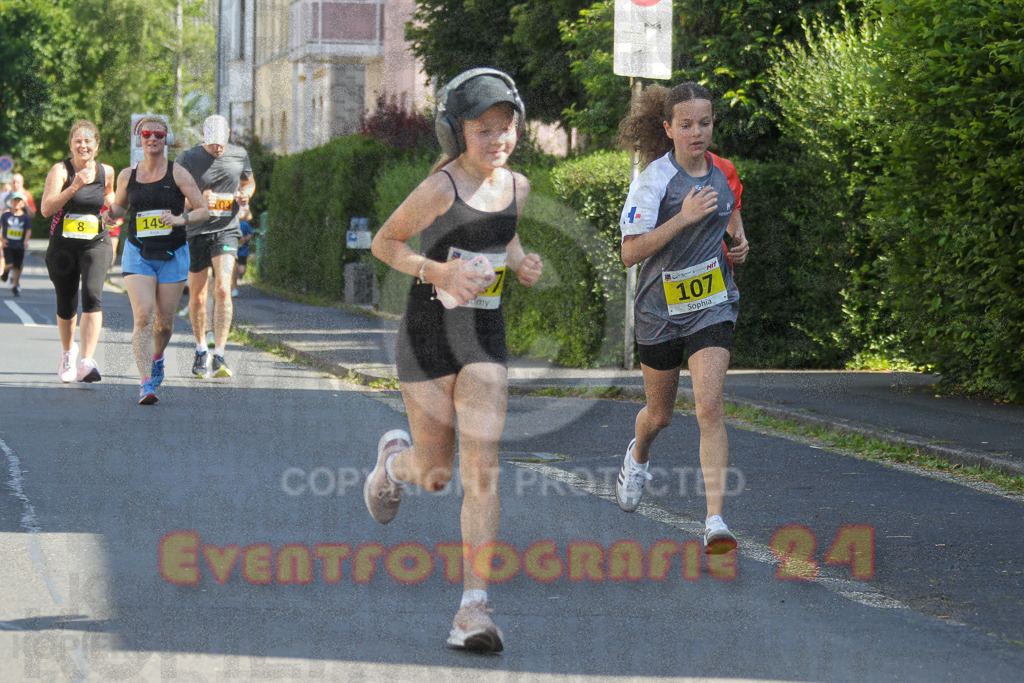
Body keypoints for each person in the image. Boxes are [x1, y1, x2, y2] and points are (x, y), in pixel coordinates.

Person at [367, 67, 543, 654]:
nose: (497, 139)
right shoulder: (440, 188)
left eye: (505, 127)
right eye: (482, 128)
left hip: (483, 339)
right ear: (456, 132)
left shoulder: (516, 187)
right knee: (437, 474)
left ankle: (473, 608)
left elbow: (506, 237)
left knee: (483, 468)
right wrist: (437, 270)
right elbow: (385, 242)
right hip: (427, 337)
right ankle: (394, 466)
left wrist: (520, 262)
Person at [615, 82, 750, 554]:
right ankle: (638, 455)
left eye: (705, 123)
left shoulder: (724, 171)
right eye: (687, 124)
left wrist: (739, 240)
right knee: (660, 414)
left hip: (712, 303)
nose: (697, 132)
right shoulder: (653, 180)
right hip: (659, 312)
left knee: (709, 407)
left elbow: (732, 214)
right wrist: (684, 218)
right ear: (669, 128)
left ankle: (715, 520)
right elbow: (630, 254)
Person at [103, 116, 209, 404]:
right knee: (144, 315)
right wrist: (110, 214)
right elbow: (120, 206)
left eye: (158, 135)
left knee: (164, 324)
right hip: (138, 251)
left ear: (166, 140)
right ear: (140, 138)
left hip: (173, 253)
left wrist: (180, 218)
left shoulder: (178, 174)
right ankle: (145, 382)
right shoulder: (128, 175)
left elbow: (203, 210)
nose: (152, 139)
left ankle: (158, 357)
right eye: (147, 134)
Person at [175, 114, 255, 379]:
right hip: (196, 231)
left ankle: (219, 353)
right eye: (212, 144)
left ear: (228, 134)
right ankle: (200, 349)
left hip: (227, 230)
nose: (217, 148)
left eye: (221, 143)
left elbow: (248, 182)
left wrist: (247, 195)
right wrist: (197, 200)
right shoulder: (187, 158)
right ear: (203, 138)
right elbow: (175, 198)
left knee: (222, 288)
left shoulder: (239, 154)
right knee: (198, 296)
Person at [39, 120, 116, 382]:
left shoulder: (106, 171)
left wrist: (113, 212)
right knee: (67, 301)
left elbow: (109, 197)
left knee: (93, 295)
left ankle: (87, 361)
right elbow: (46, 209)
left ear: (96, 144)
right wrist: (74, 187)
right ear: (71, 145)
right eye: (78, 141)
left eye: (88, 141)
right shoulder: (61, 170)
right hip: (63, 246)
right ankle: (68, 353)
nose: (83, 145)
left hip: (96, 241)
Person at [1, 192, 32, 297]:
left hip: (19, 245)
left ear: (23, 203)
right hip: (8, 244)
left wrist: (25, 241)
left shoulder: (25, 217)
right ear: (11, 202)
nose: (17, 203)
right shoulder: (6, 216)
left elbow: (28, 230)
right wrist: (2, 239)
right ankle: (5, 271)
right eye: (15, 201)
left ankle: (15, 286)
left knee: (18, 267)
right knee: (10, 264)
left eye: (19, 201)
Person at [231, 199, 255, 297]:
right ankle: (234, 288)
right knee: (233, 268)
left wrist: (245, 238)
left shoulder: (245, 224)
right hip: (232, 249)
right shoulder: (232, 223)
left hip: (243, 250)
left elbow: (251, 233)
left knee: (241, 270)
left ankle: (234, 275)